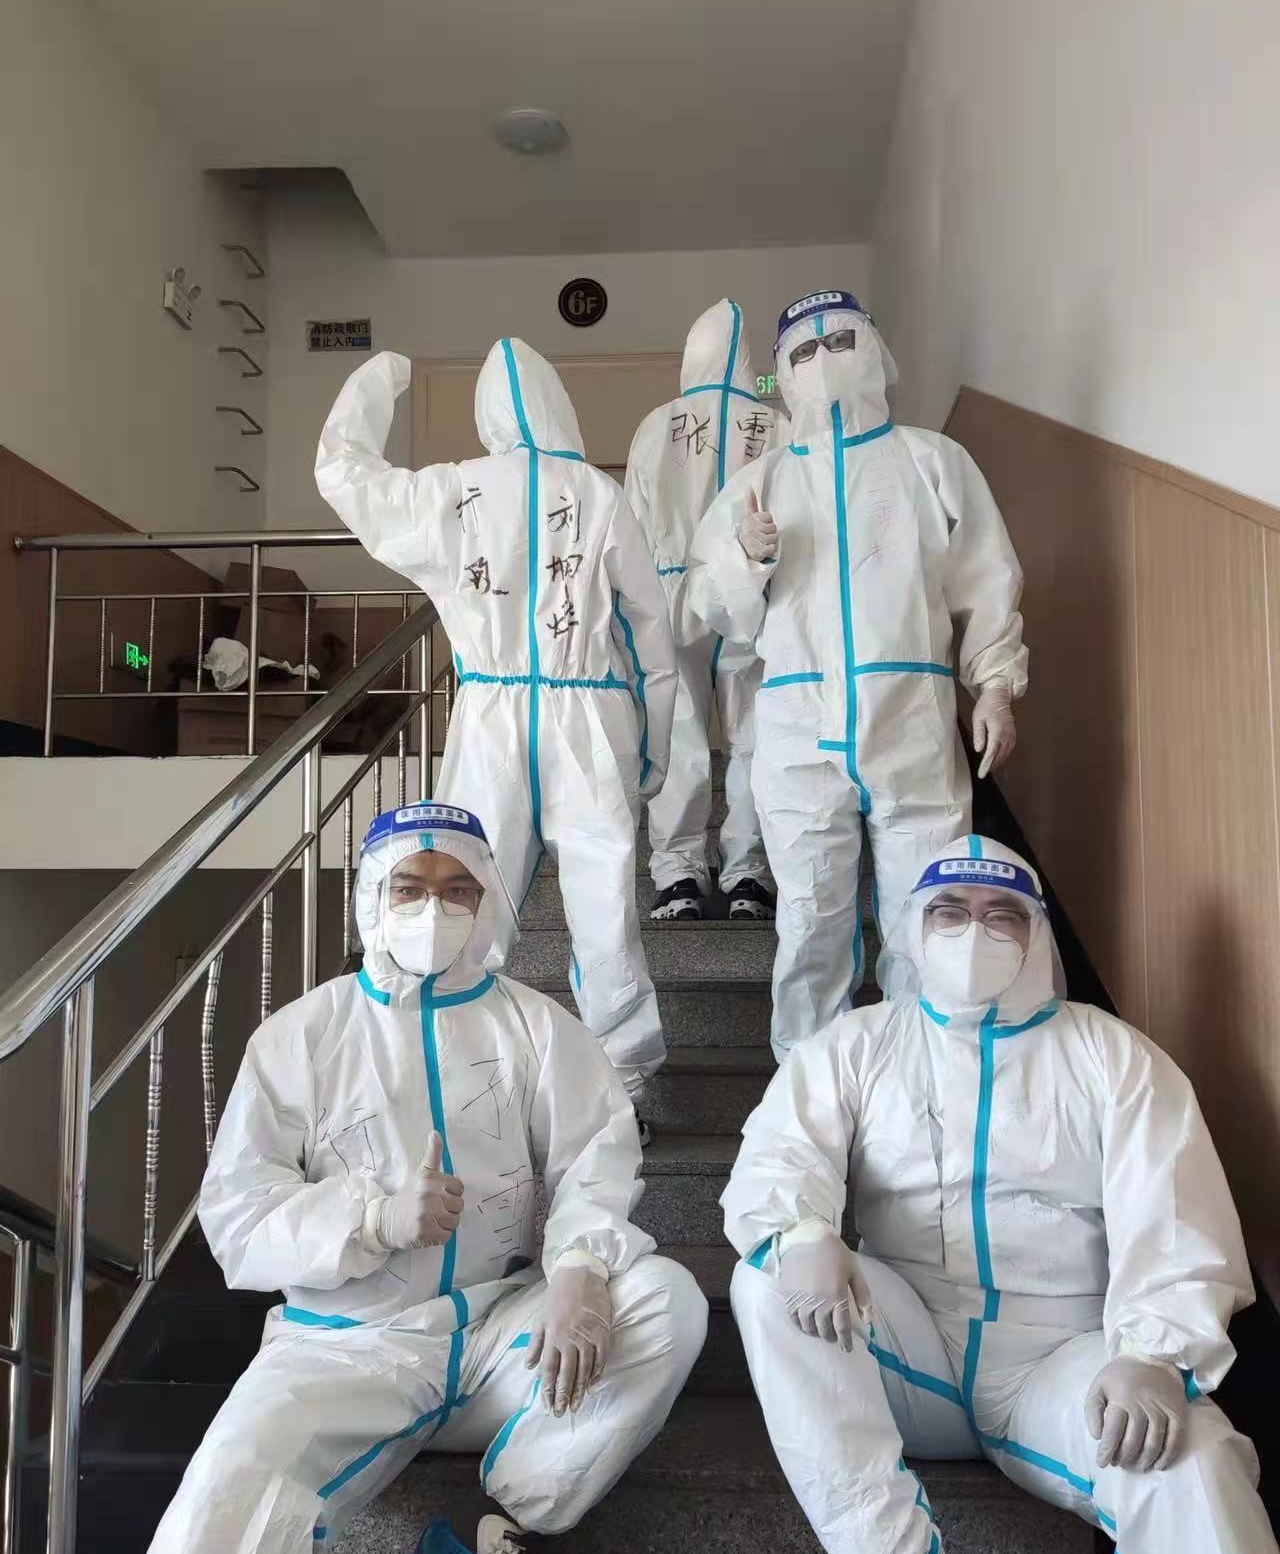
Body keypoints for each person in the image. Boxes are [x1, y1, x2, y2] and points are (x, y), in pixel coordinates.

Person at [117, 803, 708, 1554]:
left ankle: (493, 1535)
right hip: (346, 1348)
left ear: (488, 900)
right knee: (230, 1480)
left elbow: (594, 1158)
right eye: (411, 888)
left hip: (500, 1334)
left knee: (666, 1300)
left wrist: (580, 1265)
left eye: (458, 889)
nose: (435, 909)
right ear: (373, 898)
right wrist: (374, 1218)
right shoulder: (300, 1037)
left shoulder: (539, 1028)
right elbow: (238, 1219)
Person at [722, 834, 1280, 1554]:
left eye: (1001, 915)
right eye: (950, 912)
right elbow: (782, 1154)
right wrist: (803, 1233)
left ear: (1036, 933)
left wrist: (1154, 1355)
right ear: (917, 928)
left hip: (1065, 1362)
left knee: (1195, 1457)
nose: (973, 933)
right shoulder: (856, 1045)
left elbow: (1174, 1211)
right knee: (767, 1277)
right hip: (910, 1354)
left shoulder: (1114, 1056)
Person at [315, 344, 677, 1106]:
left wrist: (378, 381)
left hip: (490, 717)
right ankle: (623, 1090)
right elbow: (649, 630)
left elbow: (345, 473)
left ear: (488, 416)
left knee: (468, 900)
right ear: (558, 406)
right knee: (605, 911)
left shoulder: (454, 491)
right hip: (591, 715)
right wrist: (654, 747)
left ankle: (459, 1086)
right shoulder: (599, 494)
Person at [687, 290, 1028, 1060]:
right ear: (783, 374)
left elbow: (985, 579)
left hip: (910, 716)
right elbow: (718, 611)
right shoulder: (763, 481)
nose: (825, 362)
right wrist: (746, 558)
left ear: (876, 351)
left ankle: (925, 1084)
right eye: (803, 353)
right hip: (798, 724)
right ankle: (812, 1090)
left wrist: (995, 685)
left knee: (926, 916)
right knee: (811, 922)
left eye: (841, 341)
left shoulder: (931, 461)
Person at [624, 298, 778, 921]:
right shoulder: (776, 422)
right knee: (756, 738)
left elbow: (632, 521)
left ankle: (679, 875)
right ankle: (749, 877)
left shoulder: (656, 424)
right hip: (753, 591)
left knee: (677, 734)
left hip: (669, 593)